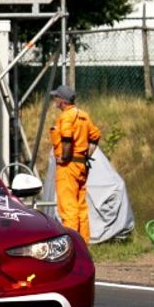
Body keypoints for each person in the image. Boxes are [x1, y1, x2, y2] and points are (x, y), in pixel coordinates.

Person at [49, 84, 101, 243]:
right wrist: (86, 155)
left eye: (56, 97)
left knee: (68, 208)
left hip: (68, 167)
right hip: (81, 165)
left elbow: (66, 139)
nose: (55, 100)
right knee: (81, 207)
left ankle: (72, 247)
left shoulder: (66, 117)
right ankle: (83, 244)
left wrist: (64, 158)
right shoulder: (83, 115)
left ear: (62, 101)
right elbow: (95, 136)